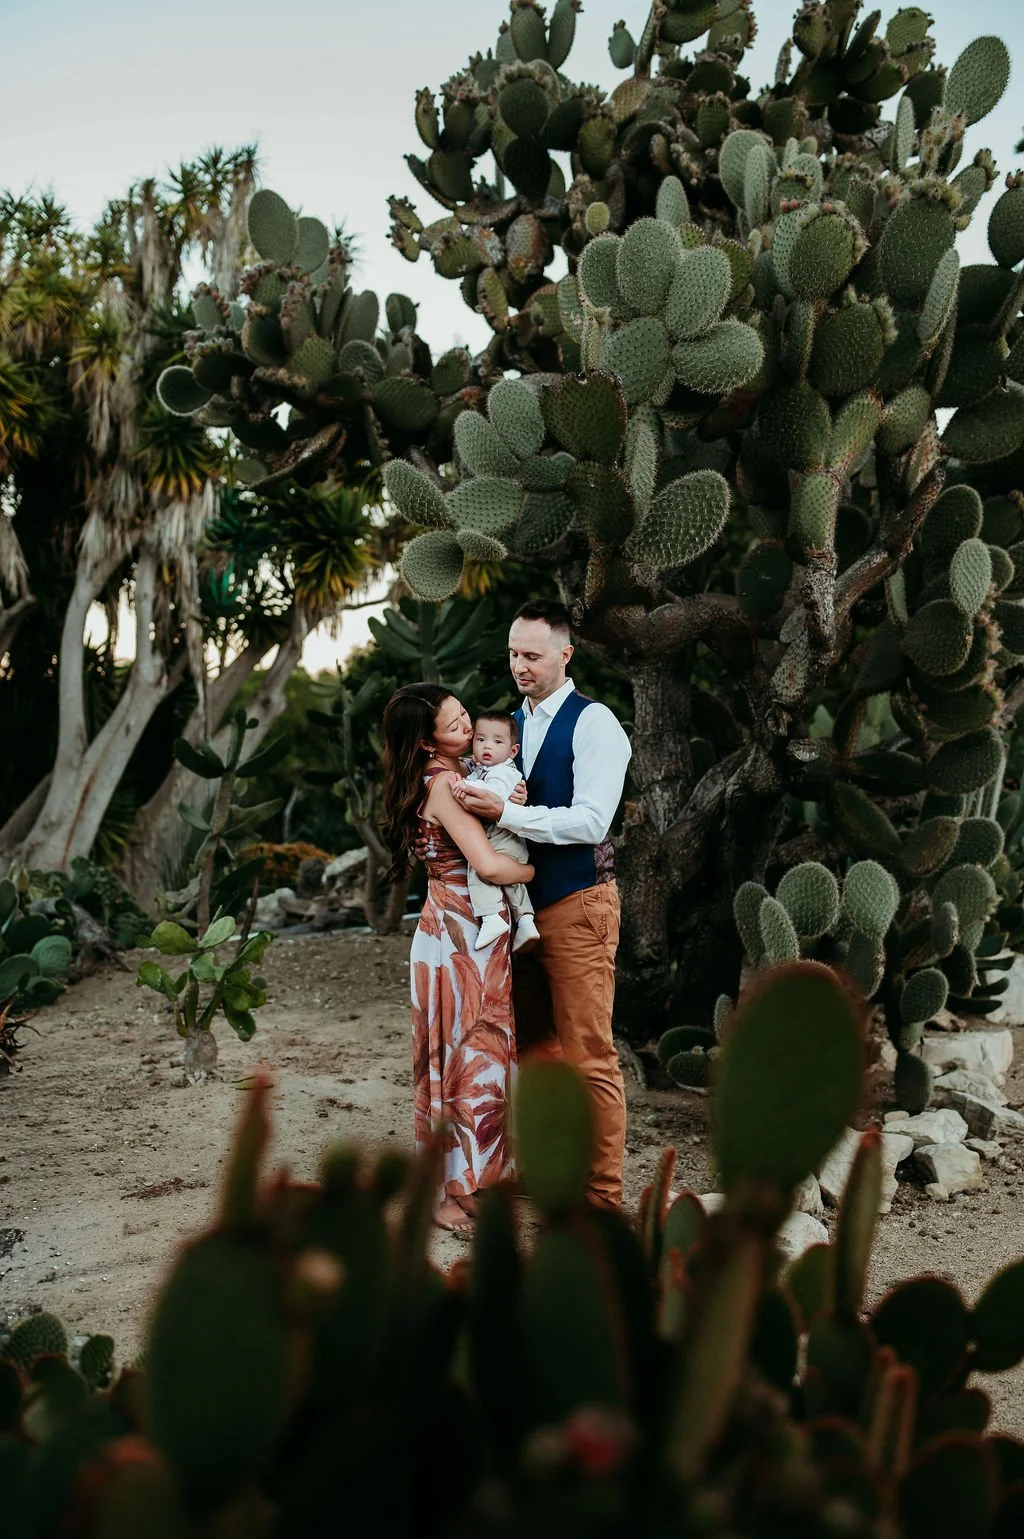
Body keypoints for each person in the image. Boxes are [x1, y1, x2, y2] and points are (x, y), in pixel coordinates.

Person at [452, 599, 632, 1208]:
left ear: (565, 654)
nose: (520, 665)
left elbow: (591, 822)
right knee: (532, 1049)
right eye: (513, 653)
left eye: (532, 655)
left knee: (589, 1054)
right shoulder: (511, 727)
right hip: (515, 913)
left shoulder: (595, 723)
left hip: (579, 904)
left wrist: (508, 812)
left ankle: (603, 1195)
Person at [381, 683, 533, 1236]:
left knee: (476, 1059)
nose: (469, 727)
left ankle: (468, 1182)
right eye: (455, 725)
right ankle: (444, 1196)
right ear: (426, 743)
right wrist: (535, 876)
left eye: (466, 715)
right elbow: (489, 866)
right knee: (457, 1060)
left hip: (460, 929)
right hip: (458, 934)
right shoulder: (444, 783)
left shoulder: (461, 769)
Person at [464, 711, 540, 955]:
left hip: (503, 838)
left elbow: (491, 795)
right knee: (511, 882)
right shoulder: (485, 768)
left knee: (479, 868)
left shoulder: (504, 773)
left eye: (498, 742)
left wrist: (463, 784)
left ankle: (491, 915)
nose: (488, 746)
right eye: (481, 739)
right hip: (510, 841)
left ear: (513, 751)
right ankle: (526, 921)